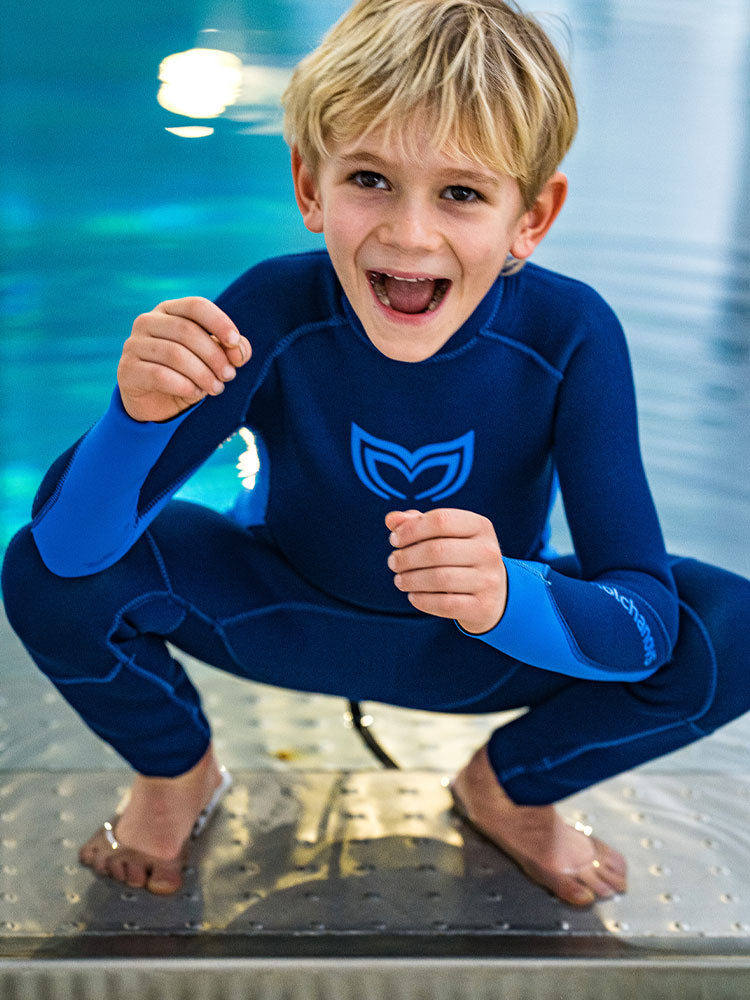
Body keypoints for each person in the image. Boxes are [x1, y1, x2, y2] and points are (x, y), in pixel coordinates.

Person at [3, 0, 750, 908]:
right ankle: (175, 773)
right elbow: (72, 554)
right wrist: (137, 417)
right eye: (370, 179)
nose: (409, 234)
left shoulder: (571, 337)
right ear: (310, 187)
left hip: (475, 648)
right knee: (43, 561)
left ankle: (513, 787)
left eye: (462, 193)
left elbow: (644, 620)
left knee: (732, 631)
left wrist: (510, 596)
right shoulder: (271, 309)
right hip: (275, 614)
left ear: (534, 216)